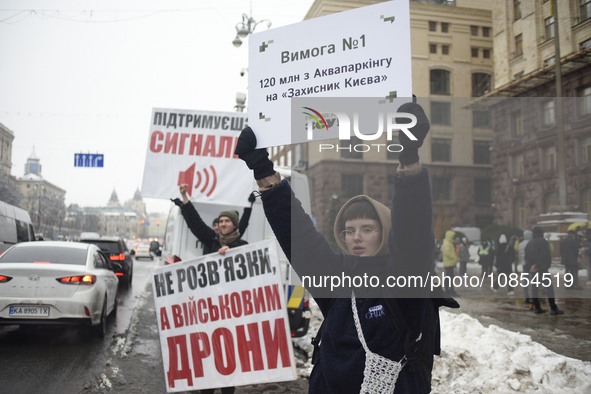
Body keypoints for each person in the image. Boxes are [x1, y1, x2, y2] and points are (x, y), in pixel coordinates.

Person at [235, 102, 458, 393]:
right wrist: (263, 169)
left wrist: (410, 155)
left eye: (367, 229)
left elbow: (412, 234)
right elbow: (300, 238)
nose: (356, 237)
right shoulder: (338, 277)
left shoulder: (405, 279)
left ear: (386, 233)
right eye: (349, 230)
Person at [525, 226, 564, 315]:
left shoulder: (529, 243)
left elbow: (526, 257)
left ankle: (537, 308)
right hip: (542, 269)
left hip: (533, 270)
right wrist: (538, 266)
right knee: (549, 289)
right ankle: (553, 308)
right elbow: (544, 255)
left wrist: (531, 267)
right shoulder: (543, 242)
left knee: (535, 289)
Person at [518, 230, 533, 307]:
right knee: (534, 280)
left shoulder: (520, 244)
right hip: (531, 264)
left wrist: (522, 262)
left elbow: (520, 255)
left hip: (524, 264)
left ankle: (526, 296)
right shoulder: (531, 243)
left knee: (526, 280)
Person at [442, 231, 460, 297]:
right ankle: (451, 290)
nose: (454, 237)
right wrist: (454, 257)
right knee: (450, 277)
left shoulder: (449, 243)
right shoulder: (447, 243)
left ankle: (448, 290)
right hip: (449, 263)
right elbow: (447, 253)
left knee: (449, 277)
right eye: (453, 236)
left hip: (450, 263)